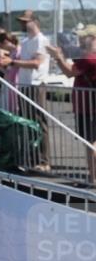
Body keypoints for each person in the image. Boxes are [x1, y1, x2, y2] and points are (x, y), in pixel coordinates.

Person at [48, 25, 96, 184]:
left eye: (84, 38)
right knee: (90, 143)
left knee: (90, 144)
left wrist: (57, 57)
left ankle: (93, 178)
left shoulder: (89, 59)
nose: (81, 40)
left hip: (88, 107)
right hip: (87, 105)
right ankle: (92, 178)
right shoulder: (88, 57)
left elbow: (69, 72)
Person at [9, 10, 51, 170]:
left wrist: (13, 62)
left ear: (34, 22)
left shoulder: (41, 40)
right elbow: (24, 62)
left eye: (25, 21)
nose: (23, 24)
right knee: (28, 121)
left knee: (39, 121)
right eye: (22, 22)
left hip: (36, 83)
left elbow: (37, 63)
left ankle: (44, 160)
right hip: (25, 84)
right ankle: (32, 158)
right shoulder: (26, 41)